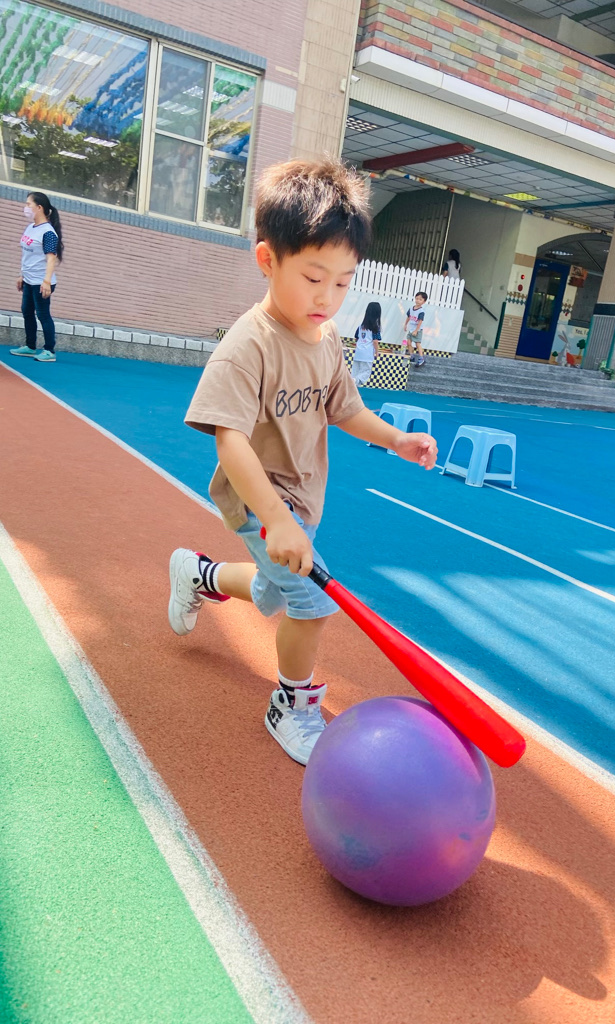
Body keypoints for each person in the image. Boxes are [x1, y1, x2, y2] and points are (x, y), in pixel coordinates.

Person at [167, 159, 438, 766]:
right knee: (312, 603)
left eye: (343, 282)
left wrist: (396, 439)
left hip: (303, 501)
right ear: (268, 260)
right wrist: (275, 519)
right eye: (314, 277)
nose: (328, 297)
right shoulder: (248, 346)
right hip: (258, 500)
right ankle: (290, 704)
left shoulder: (328, 338)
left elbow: (346, 409)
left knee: (272, 590)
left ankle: (198, 575)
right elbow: (230, 442)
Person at [10, 191, 64, 363]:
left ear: (39, 207)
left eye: (28, 204)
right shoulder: (31, 227)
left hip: (41, 281)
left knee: (43, 314)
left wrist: (46, 281)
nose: (25, 207)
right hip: (28, 279)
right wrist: (21, 275)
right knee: (26, 311)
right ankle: (30, 346)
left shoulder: (48, 232)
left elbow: (51, 258)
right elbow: (27, 255)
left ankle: (49, 350)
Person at [350, 300, 381, 386]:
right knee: (365, 372)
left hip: (358, 352)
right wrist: (377, 352)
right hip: (367, 354)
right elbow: (375, 341)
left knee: (355, 371)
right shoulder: (375, 327)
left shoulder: (361, 326)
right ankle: (354, 381)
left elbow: (357, 338)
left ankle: (352, 387)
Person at [403, 291, 427, 366]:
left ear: (424, 302)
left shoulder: (421, 311)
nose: (418, 300)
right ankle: (412, 355)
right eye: (417, 298)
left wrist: (416, 330)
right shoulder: (411, 308)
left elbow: (420, 321)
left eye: (420, 299)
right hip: (411, 329)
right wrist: (405, 324)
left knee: (417, 344)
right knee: (408, 342)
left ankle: (421, 358)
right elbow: (408, 317)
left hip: (418, 330)